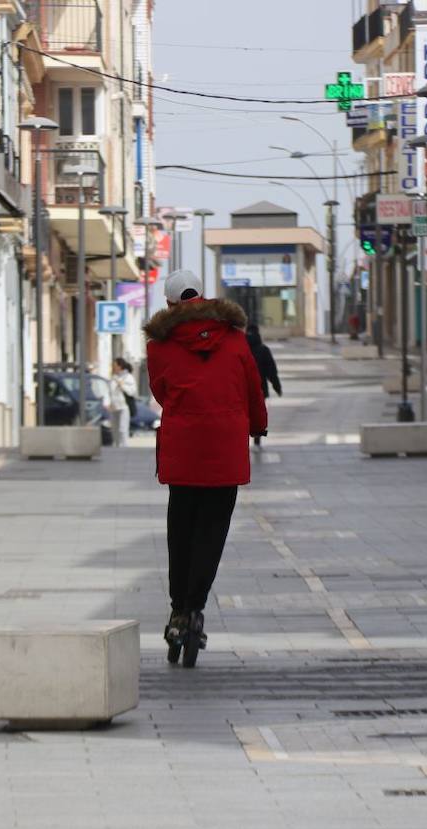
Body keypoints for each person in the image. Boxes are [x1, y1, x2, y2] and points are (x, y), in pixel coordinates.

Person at [145, 269, 268, 663]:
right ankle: (195, 608)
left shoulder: (160, 344)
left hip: (183, 451)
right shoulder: (234, 338)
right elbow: (252, 386)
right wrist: (257, 425)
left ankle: (178, 610)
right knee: (211, 535)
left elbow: (161, 393)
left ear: (169, 303)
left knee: (180, 532)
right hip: (225, 451)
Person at [245, 324, 282, 448]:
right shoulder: (263, 350)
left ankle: (243, 437)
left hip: (243, 390)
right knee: (259, 415)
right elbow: (271, 371)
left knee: (244, 415)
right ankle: (258, 438)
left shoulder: (241, 350)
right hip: (260, 389)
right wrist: (277, 387)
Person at [111, 358, 139, 445]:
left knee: (123, 429)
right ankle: (117, 447)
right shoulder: (114, 377)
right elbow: (110, 391)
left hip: (124, 406)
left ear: (120, 366)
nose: (113, 368)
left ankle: (125, 448)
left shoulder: (128, 377)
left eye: (114, 366)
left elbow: (132, 392)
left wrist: (122, 385)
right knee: (114, 430)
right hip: (114, 407)